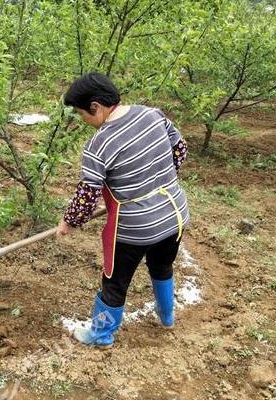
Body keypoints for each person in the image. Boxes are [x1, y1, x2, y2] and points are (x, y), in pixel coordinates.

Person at [56, 72, 189, 348]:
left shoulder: (98, 145)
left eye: (82, 114)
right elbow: (179, 149)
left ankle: (101, 334)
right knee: (162, 266)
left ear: (96, 106)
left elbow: (87, 196)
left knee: (114, 283)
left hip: (134, 229)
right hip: (174, 214)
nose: (83, 121)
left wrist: (69, 222)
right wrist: (156, 182)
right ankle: (167, 317)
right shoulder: (153, 115)